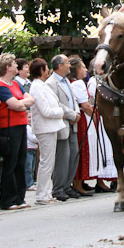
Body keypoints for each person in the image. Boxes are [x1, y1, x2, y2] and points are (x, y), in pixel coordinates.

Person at [0, 53, 35, 210]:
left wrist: (19, 103)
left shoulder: (16, 84)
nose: (17, 65)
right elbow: (16, 105)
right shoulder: (0, 86)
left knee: (21, 161)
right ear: (7, 67)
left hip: (21, 125)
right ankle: (7, 199)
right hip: (9, 127)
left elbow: (30, 99)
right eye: (14, 64)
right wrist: (21, 104)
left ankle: (19, 197)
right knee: (10, 162)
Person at [69, 57, 114, 195]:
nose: (85, 70)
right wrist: (96, 118)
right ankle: (78, 183)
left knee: (89, 149)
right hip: (85, 118)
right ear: (76, 69)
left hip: (86, 117)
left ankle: (83, 182)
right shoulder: (78, 84)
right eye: (82, 67)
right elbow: (86, 105)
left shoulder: (78, 83)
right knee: (84, 149)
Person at [29, 57, 66, 205]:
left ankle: (46, 193)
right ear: (41, 70)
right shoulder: (37, 87)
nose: (48, 71)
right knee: (46, 162)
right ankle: (42, 195)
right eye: (45, 68)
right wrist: (60, 112)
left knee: (49, 161)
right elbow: (45, 110)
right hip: (44, 128)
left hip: (49, 127)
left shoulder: (41, 86)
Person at [46, 54, 81, 201]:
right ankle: (58, 188)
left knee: (74, 155)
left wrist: (77, 113)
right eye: (67, 63)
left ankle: (67, 186)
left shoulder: (66, 80)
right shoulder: (51, 83)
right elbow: (56, 103)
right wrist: (72, 115)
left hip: (72, 123)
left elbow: (74, 99)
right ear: (60, 66)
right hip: (63, 124)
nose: (69, 66)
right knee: (63, 157)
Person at [25, 110, 38, 190]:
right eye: (29, 117)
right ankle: (28, 184)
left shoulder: (33, 128)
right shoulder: (27, 128)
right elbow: (33, 138)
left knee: (32, 168)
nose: (31, 119)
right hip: (28, 150)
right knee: (28, 168)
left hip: (33, 149)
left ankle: (31, 182)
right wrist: (40, 139)